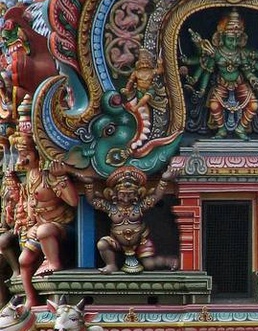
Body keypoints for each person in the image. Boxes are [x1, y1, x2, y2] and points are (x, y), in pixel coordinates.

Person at [181, 9, 258, 139]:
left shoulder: (241, 52)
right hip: (222, 84)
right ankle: (222, 130)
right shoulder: (216, 53)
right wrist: (202, 89)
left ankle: (241, 129)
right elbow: (207, 71)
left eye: (236, 39)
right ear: (222, 37)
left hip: (239, 83)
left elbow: (248, 69)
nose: (233, 43)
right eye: (230, 39)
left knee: (254, 105)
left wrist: (254, 78)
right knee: (214, 105)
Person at [11, 111, 78, 301]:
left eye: (26, 154)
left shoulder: (49, 176)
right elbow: (31, 207)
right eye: (20, 154)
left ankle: (54, 263)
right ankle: (31, 300)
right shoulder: (29, 178)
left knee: (45, 231)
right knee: (24, 261)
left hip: (62, 228)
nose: (21, 159)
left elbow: (73, 201)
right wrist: (31, 225)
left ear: (37, 154)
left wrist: (63, 177)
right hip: (40, 227)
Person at [81, 164, 179, 273]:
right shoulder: (110, 208)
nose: (126, 198)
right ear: (115, 194)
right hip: (117, 242)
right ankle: (111, 265)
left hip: (140, 241)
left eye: (130, 194)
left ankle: (169, 261)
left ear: (137, 194)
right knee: (102, 244)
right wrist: (88, 184)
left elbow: (155, 197)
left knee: (149, 264)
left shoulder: (139, 207)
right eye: (122, 194)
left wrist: (164, 180)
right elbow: (92, 200)